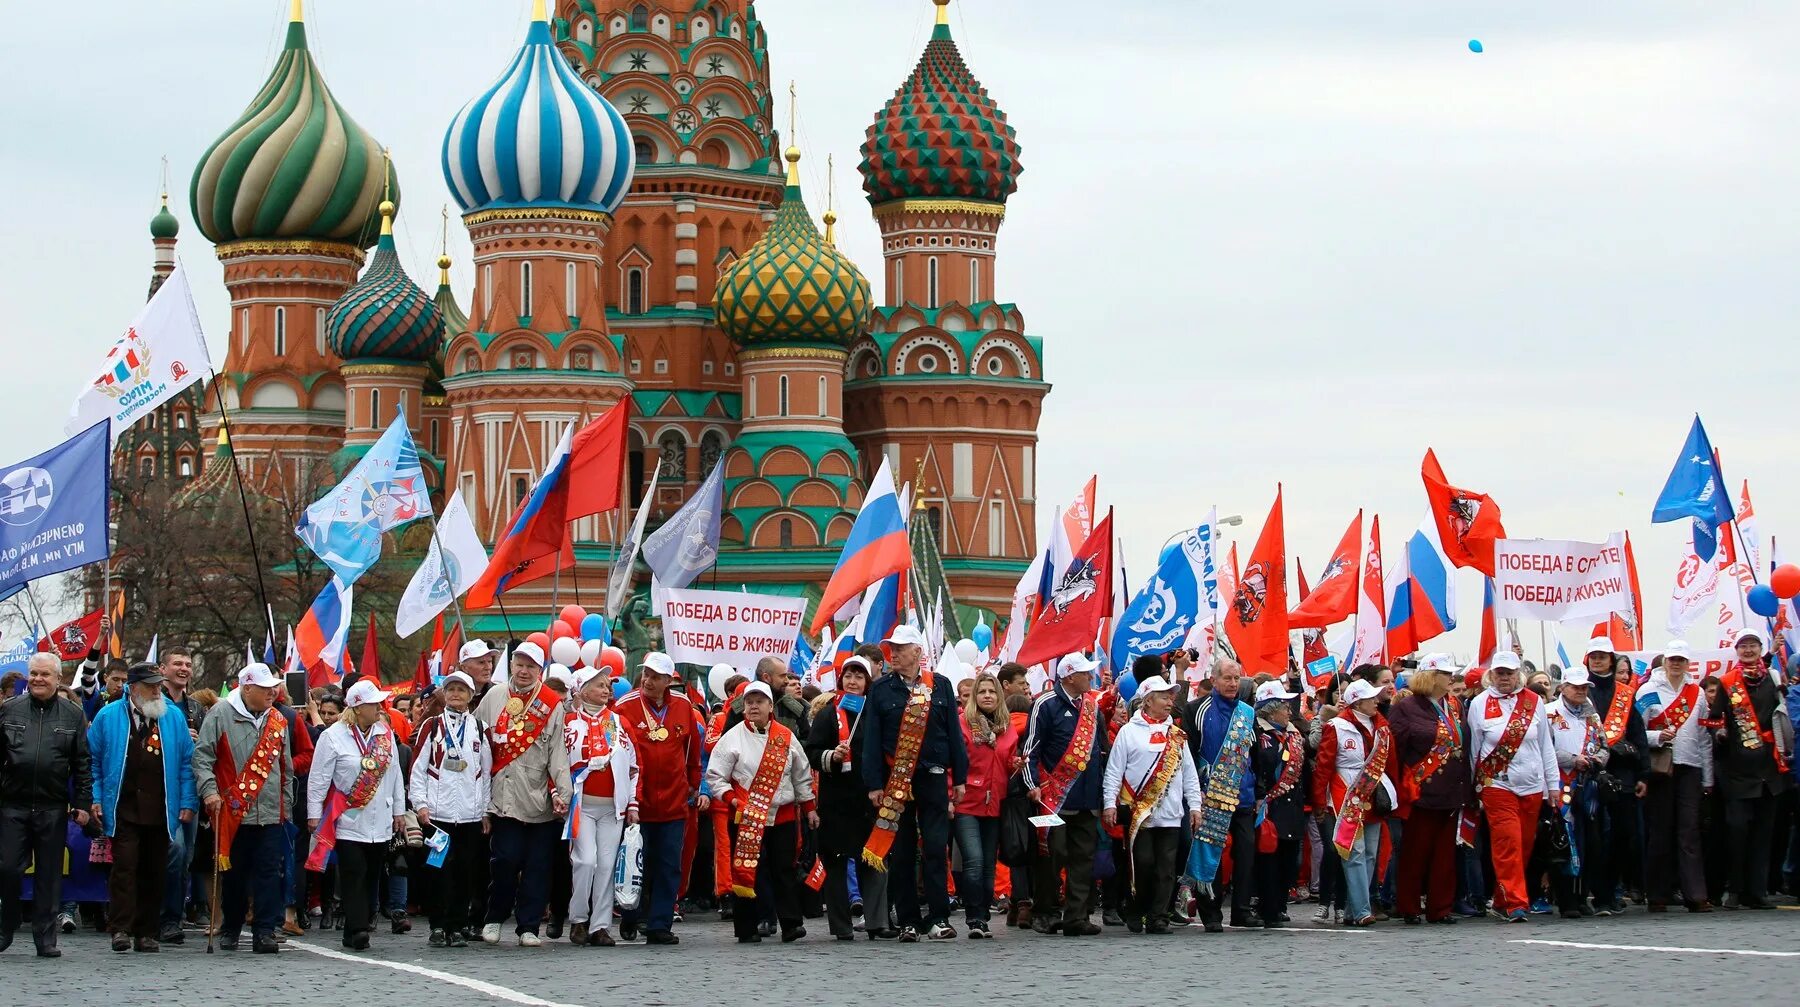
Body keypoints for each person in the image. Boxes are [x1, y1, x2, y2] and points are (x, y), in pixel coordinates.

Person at [861, 625, 968, 941]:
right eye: (890, 647)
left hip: (933, 776)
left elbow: (953, 734)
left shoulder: (941, 686)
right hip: (896, 780)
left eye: (900, 647)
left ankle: (938, 917)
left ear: (917, 652)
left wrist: (959, 778)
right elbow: (872, 742)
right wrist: (874, 783)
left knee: (936, 847)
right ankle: (908, 919)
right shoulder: (880, 690)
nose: (892, 653)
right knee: (903, 850)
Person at [86, 660, 197, 953]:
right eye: (150, 686)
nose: (157, 690)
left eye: (159, 685)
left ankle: (147, 931)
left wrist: (187, 801)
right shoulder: (108, 716)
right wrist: (95, 798)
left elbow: (187, 763)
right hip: (122, 806)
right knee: (124, 867)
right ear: (133, 688)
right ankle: (121, 928)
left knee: (155, 870)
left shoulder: (172, 717)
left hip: (161, 807)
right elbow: (92, 762)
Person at [474, 641, 572, 947]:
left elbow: (558, 753)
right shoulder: (494, 696)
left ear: (540, 670)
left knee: (537, 866)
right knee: (504, 861)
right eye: (519, 664)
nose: (524, 671)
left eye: (531, 666)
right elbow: (476, 741)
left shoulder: (550, 704)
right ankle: (494, 917)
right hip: (503, 796)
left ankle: (528, 926)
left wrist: (562, 793)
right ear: (511, 666)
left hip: (540, 798)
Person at [707, 681, 817, 943]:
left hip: (783, 815)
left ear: (770, 706)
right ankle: (747, 928)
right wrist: (732, 800)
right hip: (746, 816)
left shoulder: (786, 737)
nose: (754, 706)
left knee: (784, 870)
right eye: (749, 702)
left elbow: (802, 776)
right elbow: (715, 777)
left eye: (759, 701)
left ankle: (791, 924)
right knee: (746, 870)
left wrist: (810, 807)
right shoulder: (732, 738)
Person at [193, 664, 292, 953]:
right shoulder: (220, 715)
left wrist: (285, 804)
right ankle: (232, 926)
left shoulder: (278, 720)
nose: (272, 692)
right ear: (247, 688)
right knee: (234, 875)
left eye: (274, 687)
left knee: (269, 873)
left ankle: (264, 930)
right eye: (265, 688)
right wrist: (209, 792)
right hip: (233, 811)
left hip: (271, 812)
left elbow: (284, 767)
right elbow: (202, 758)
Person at [0, 654, 93, 957]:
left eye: (45, 675)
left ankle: (45, 937)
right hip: (13, 804)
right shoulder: (8, 710)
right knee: (8, 868)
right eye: (34, 674)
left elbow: (82, 763)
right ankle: (8, 921)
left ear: (58, 678)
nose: (38, 679)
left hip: (53, 806)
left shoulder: (72, 714)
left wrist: (82, 803)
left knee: (49, 876)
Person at [305, 679, 407, 951]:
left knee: (372, 872)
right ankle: (360, 927)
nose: (380, 707)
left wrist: (399, 810)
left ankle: (352, 929)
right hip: (348, 817)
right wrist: (314, 815)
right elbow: (318, 779)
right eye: (375, 704)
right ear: (360, 707)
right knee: (353, 871)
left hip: (381, 817)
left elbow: (395, 774)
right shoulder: (333, 736)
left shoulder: (384, 733)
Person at [613, 651, 704, 945]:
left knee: (668, 864)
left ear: (669, 680)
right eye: (646, 675)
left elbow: (692, 747)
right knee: (636, 862)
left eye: (655, 677)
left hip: (674, 800)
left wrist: (694, 782)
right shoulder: (625, 707)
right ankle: (630, 914)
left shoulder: (682, 706)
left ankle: (660, 924)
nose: (648, 681)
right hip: (639, 801)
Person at [1102, 675, 1201, 935]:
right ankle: (1137, 909)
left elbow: (1189, 773)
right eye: (1164, 696)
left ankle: (1159, 917)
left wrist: (1195, 806)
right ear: (1147, 701)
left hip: (1170, 814)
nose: (1170, 701)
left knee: (1166, 869)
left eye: (1171, 696)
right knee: (1142, 864)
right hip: (1140, 814)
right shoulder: (1128, 732)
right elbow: (1114, 771)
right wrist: (1109, 804)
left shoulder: (1177, 735)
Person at [1467, 651, 1560, 922]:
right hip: (1497, 784)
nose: (1504, 678)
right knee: (1508, 842)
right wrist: (1475, 787)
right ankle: (1515, 903)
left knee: (1524, 844)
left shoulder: (1534, 702)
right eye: (1500, 673)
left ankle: (1502, 895)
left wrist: (1552, 784)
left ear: (1518, 674)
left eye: (1509, 673)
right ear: (1492, 675)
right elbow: (1475, 748)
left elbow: (1546, 746)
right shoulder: (1479, 703)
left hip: (1532, 785)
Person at [1020, 653, 1107, 937]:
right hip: (1051, 798)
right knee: (1051, 854)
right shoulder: (1044, 704)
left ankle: (1076, 916)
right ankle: (1044, 912)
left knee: (1084, 857)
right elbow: (1030, 750)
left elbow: (1101, 751)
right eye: (1085, 673)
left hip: (1086, 798)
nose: (1090, 677)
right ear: (1069, 675)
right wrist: (1031, 783)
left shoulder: (1093, 707)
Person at [803, 655, 889, 940]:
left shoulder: (875, 713)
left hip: (868, 800)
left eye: (859, 676)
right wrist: (833, 756)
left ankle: (877, 923)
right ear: (841, 680)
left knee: (873, 860)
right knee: (837, 865)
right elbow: (813, 753)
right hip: (837, 802)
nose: (853, 681)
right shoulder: (828, 713)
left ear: (867, 682)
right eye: (848, 675)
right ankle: (842, 927)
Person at [410, 670, 492, 947]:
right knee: (437, 871)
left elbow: (486, 773)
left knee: (465, 874)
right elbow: (418, 769)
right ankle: (437, 924)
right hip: (437, 816)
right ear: (444, 694)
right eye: (451, 689)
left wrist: (484, 812)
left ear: (471, 696)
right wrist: (420, 805)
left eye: (461, 690)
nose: (456, 694)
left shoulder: (479, 729)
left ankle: (457, 925)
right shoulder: (432, 727)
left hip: (469, 816)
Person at [1389, 653, 1472, 925]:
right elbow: (1397, 749)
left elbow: (1464, 746)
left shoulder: (1455, 705)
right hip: (1420, 790)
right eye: (1446, 674)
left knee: (1445, 854)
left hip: (1451, 790)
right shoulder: (1407, 706)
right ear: (1431, 676)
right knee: (1416, 852)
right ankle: (1409, 906)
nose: (1451, 679)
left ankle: (1441, 908)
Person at [1714, 628, 1792, 909]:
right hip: (1738, 771)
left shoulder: (1773, 678)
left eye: (1753, 646)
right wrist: (1720, 733)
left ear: (1760, 649)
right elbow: (1713, 720)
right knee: (1737, 832)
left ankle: (1757, 891)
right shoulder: (1727, 682)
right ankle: (1734, 889)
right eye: (1743, 646)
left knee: (1763, 834)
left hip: (1768, 770)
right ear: (1736, 650)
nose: (1748, 651)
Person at [1635, 641, 1712, 913]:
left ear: (1687, 663)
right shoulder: (1648, 691)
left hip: (1689, 767)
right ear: (1665, 661)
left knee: (1689, 831)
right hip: (1660, 770)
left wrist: (1708, 777)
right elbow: (1636, 732)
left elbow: (1704, 739)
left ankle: (1695, 894)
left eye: (1681, 660)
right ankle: (1657, 894)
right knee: (1660, 830)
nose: (1676, 664)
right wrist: (1657, 737)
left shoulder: (1698, 693)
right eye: (1672, 659)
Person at [563, 666, 637, 947]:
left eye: (608, 685)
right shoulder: (569, 723)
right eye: (599, 685)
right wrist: (559, 792)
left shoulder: (618, 723)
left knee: (606, 864)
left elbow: (633, 766)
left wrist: (632, 803)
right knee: (585, 861)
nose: (607, 690)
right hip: (581, 805)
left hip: (612, 808)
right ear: (581, 690)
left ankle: (600, 926)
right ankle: (578, 918)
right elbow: (558, 763)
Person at [1314, 679, 1396, 927]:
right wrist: (1320, 801)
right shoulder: (1336, 727)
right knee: (1355, 852)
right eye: (1371, 699)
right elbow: (1324, 767)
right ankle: (1362, 909)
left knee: (1370, 853)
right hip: (1346, 794)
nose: (1376, 702)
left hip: (1373, 794)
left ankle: (1352, 908)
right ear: (1358, 702)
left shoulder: (1381, 727)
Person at [1186, 658, 1258, 931]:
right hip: (1210, 795)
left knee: (1246, 854)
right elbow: (1189, 755)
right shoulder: (1196, 710)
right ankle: (1211, 914)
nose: (1232, 684)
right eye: (1227, 678)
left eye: (1236, 678)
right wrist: (1194, 793)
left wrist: (1259, 791)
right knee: (1209, 854)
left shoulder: (1247, 713)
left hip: (1244, 795)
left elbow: (1256, 756)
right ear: (1213, 680)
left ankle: (1241, 910)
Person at [1583, 638, 1648, 916]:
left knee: (1624, 836)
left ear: (1612, 659)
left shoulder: (1625, 693)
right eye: (1593, 656)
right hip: (1590, 774)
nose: (1598, 661)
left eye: (1603, 656)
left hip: (1622, 774)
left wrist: (1644, 772)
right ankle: (1600, 894)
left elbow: (1638, 734)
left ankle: (1613, 888)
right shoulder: (1580, 690)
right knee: (1596, 837)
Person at [954, 671, 1019, 937]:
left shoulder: (1007, 727)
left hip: (996, 803)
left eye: (992, 692)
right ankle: (975, 917)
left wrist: (1015, 765)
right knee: (974, 860)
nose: (988, 696)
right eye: (982, 692)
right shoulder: (963, 724)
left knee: (989, 864)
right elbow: (955, 761)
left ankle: (982, 917)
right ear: (974, 697)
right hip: (968, 800)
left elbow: (1007, 760)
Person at [1545, 665, 1606, 917]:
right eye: (1576, 686)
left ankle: (1582, 896)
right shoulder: (1549, 713)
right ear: (1563, 688)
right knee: (1563, 841)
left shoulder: (1592, 716)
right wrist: (1572, 759)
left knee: (1589, 840)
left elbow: (1604, 745)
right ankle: (1566, 898)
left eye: (1584, 687)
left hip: (1587, 785)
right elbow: (1546, 748)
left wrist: (1598, 759)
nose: (1581, 691)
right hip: (1560, 784)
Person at [152, 646, 202, 944]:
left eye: (188, 664)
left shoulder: (196, 707)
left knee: (185, 858)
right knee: (173, 852)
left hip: (189, 789)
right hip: (159, 790)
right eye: (177, 664)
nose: (184, 669)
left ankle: (174, 916)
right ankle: (163, 916)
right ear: (163, 669)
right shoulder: (153, 702)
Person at [1250, 678, 1306, 929]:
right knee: (1269, 859)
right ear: (1270, 709)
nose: (1289, 711)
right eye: (1284, 706)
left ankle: (1280, 904)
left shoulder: (1293, 734)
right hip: (1270, 806)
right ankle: (1268, 906)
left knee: (1288, 858)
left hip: (1292, 804)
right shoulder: (1258, 734)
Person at [726, 657, 809, 735]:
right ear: (766, 677)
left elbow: (806, 740)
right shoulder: (740, 707)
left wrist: (789, 747)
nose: (787, 681)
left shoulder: (794, 707)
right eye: (782, 676)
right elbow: (727, 741)